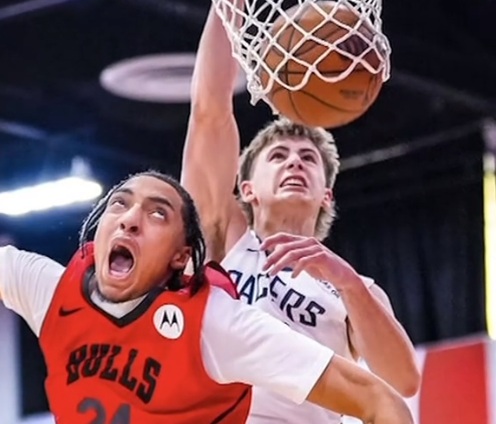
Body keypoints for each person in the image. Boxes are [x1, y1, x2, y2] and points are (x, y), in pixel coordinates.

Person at [181, 0, 421, 423]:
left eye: (308, 158)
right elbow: (210, 110)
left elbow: (402, 381)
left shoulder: (355, 288)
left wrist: (347, 282)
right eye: (278, 156)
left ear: (326, 193)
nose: (295, 163)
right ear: (246, 188)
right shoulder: (224, 241)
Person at [0, 171, 413, 424]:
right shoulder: (48, 289)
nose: (130, 219)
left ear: (181, 257)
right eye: (119, 204)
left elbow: (380, 400)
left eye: (157, 213)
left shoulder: (216, 323)